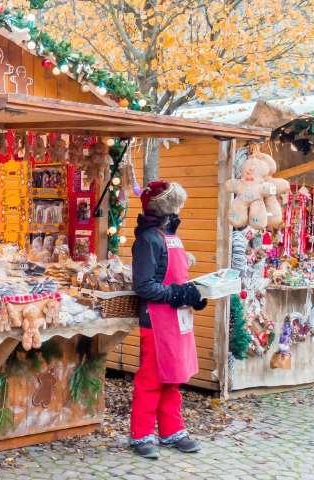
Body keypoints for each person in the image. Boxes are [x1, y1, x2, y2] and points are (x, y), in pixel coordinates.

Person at [129, 180, 207, 459]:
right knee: (151, 380)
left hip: (177, 318)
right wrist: (178, 294)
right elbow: (145, 285)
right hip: (156, 320)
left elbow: (177, 275)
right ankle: (141, 435)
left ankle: (173, 430)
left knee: (174, 378)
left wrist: (192, 295)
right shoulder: (148, 239)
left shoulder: (168, 235)